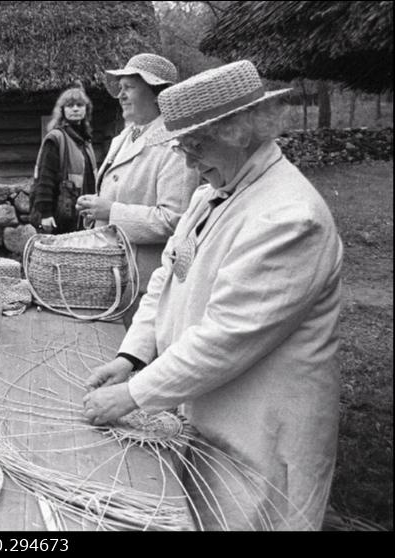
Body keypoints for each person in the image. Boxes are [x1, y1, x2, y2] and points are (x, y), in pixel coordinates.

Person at [82, 60, 343, 530]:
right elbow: (168, 274)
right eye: (181, 145)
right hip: (209, 408)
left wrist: (131, 396)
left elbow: (227, 337)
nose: (187, 161)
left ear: (240, 130)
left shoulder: (289, 218)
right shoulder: (213, 191)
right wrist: (132, 357)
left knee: (255, 521)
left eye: (196, 144)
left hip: (262, 428)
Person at [76, 53, 199, 326]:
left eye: (129, 87)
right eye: (119, 89)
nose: (120, 95)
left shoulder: (175, 145)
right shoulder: (124, 137)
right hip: (112, 274)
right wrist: (96, 211)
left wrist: (111, 211)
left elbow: (175, 220)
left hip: (145, 283)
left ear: (157, 95)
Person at [28, 86, 97, 234]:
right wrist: (45, 214)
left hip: (82, 213)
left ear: (86, 110)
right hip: (61, 214)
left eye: (79, 105)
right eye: (70, 106)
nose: (75, 109)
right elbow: (45, 177)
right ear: (63, 110)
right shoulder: (55, 138)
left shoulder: (86, 142)